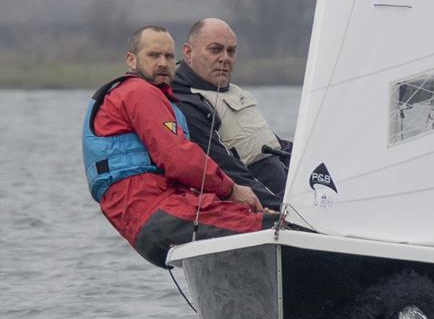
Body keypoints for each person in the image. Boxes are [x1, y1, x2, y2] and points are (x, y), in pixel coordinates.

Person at [82, 25, 277, 268]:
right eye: (154, 56)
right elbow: (179, 159)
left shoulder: (136, 95)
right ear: (131, 60)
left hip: (146, 225)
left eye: (169, 56)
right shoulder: (139, 92)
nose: (163, 63)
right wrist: (232, 190)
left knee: (253, 218)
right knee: (275, 226)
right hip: (160, 213)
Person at [172, 18, 291, 211]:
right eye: (215, 50)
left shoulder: (234, 91)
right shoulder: (187, 103)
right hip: (268, 208)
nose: (225, 58)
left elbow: (274, 145)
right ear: (188, 52)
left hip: (294, 195)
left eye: (231, 51)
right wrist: (285, 209)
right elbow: (227, 170)